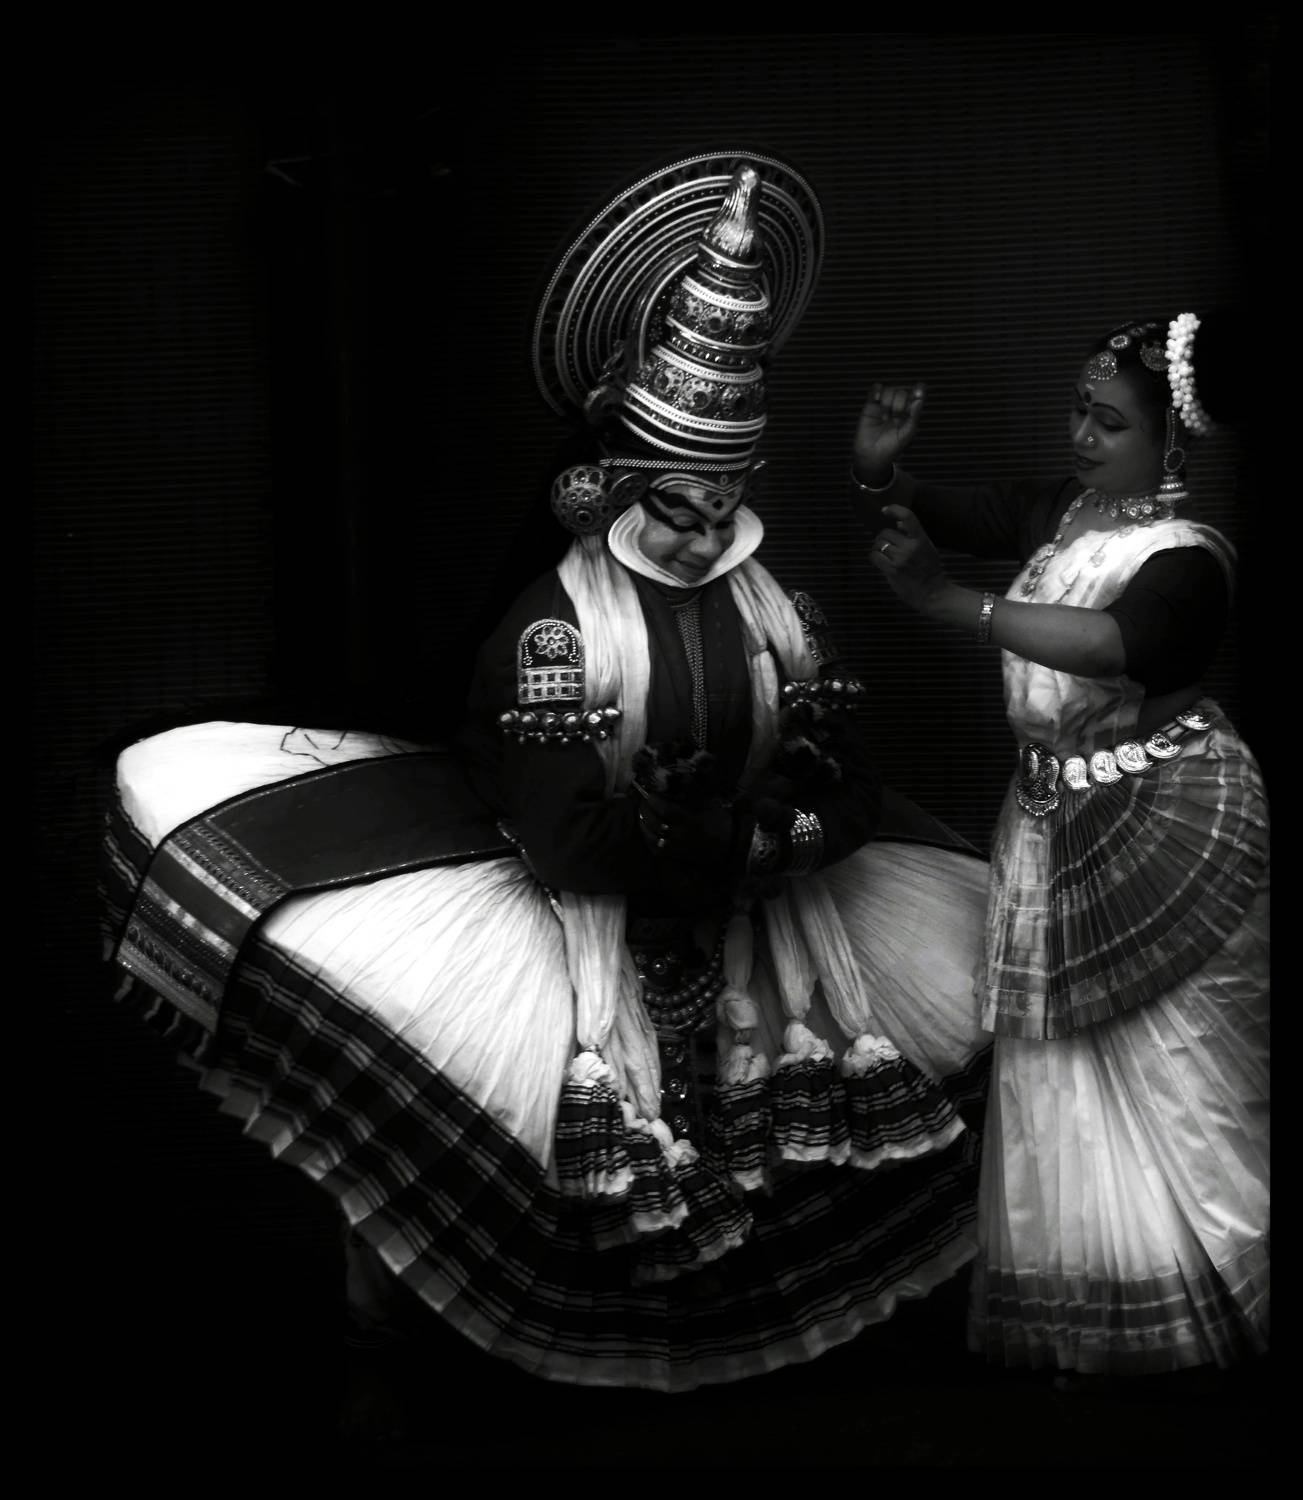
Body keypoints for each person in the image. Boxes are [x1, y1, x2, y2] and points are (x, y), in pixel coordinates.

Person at [102, 154, 994, 1411]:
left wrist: (762, 841)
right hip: (586, 919)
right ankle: (413, 1375)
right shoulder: (556, 635)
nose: (702, 537)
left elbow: (847, 785)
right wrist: (742, 841)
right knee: (500, 1159)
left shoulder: (781, 619)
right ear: (616, 488)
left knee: (774, 1158)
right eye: (676, 510)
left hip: (752, 924)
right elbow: (574, 840)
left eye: (726, 507)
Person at [848, 311, 1269, 1380]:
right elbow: (953, 507)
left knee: (1167, 1055)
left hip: (1157, 815)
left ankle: (1204, 1297)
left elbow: (1116, 643)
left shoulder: (1186, 561)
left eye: (1109, 422)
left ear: (1168, 442)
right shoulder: (1065, 512)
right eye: (1079, 412)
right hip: (1048, 814)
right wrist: (881, 472)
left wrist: (951, 601)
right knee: (1056, 1065)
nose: (1082, 435)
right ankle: (1091, 1300)